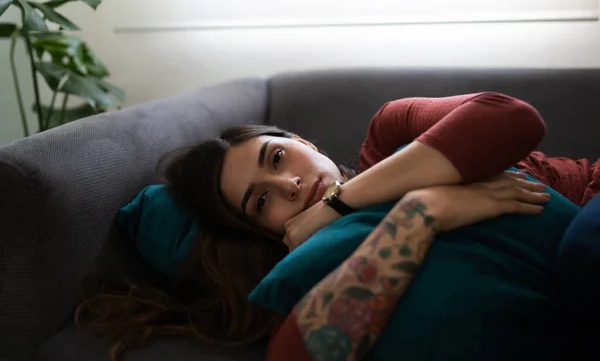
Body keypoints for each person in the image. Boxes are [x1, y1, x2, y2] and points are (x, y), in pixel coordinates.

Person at [76, 92, 600, 361]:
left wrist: (339, 203)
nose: (288, 186)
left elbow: (511, 119)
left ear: (305, 140)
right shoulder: (322, 265)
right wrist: (420, 215)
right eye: (261, 201)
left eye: (278, 157)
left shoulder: (391, 130)